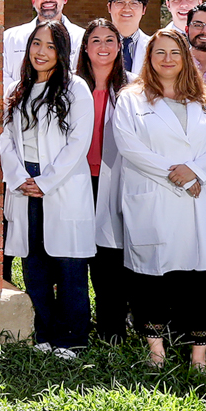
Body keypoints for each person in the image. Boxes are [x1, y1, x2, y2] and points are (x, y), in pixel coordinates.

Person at [113, 28, 206, 371]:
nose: (167, 59)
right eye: (159, 52)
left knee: (201, 275)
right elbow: (130, 147)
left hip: (198, 196)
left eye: (174, 53)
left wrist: (195, 171)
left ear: (185, 58)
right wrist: (178, 176)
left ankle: (199, 355)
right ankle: (156, 350)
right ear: (149, 58)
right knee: (151, 273)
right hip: (156, 197)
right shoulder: (132, 98)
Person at [0, 22, 95, 359]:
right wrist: (18, 177)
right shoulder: (17, 88)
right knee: (34, 263)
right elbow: (6, 138)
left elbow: (78, 143)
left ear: (62, 51)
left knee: (69, 266)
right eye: (36, 44)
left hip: (61, 184)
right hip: (24, 181)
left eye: (50, 46)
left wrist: (45, 180)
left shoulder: (75, 89)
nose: (41, 52)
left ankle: (72, 339)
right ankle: (43, 331)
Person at [77, 18, 133, 341]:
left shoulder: (132, 90)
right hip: (79, 182)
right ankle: (78, 323)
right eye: (96, 40)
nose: (103, 46)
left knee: (111, 260)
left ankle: (112, 328)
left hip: (116, 184)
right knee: (76, 254)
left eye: (110, 40)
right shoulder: (71, 87)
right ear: (86, 47)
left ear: (119, 47)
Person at [2, 0, 85, 92]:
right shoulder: (10, 38)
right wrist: (25, 99)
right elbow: (0, 75)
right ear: (33, 1)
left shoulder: (82, 38)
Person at [105, 0, 152, 75]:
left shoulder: (153, 47)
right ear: (109, 7)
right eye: (120, 2)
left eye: (134, 3)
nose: (126, 8)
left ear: (144, 10)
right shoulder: (94, 45)